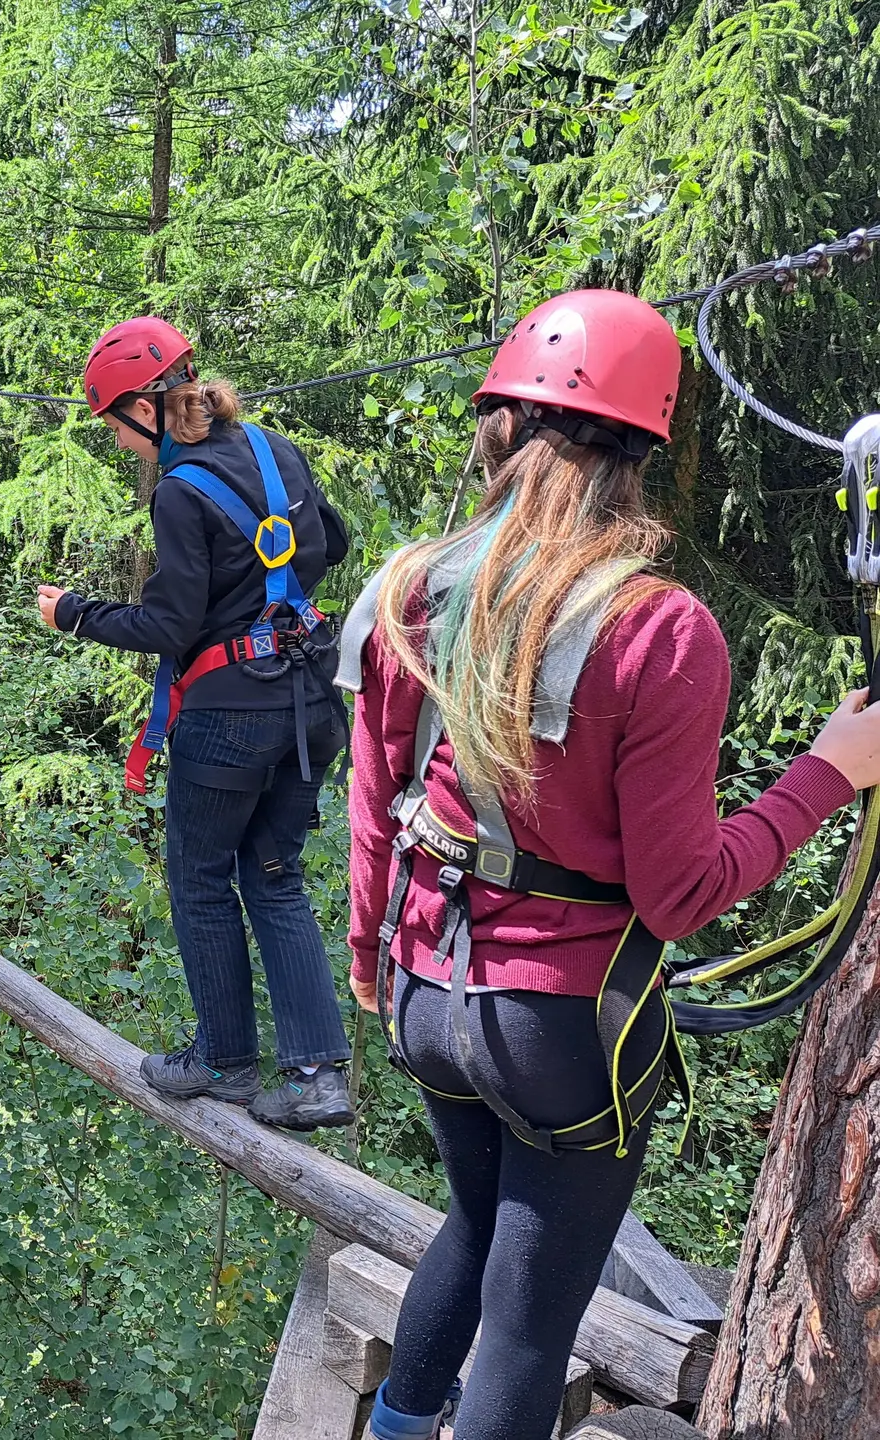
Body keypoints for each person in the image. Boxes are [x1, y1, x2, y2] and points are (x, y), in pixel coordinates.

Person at [338, 288, 880, 1440]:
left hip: (429, 990)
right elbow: (678, 894)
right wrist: (834, 767)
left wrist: (369, 957)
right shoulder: (657, 629)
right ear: (646, 449)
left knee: (476, 1224)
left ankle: (391, 1428)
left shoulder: (414, 588)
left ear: (497, 424)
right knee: (531, 1326)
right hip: (558, 1034)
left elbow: (376, 797)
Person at [37, 317, 355, 1129]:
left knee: (200, 879)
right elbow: (335, 541)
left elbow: (166, 630)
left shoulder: (180, 492)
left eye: (114, 423)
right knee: (275, 876)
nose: (116, 442)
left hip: (232, 718)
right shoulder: (273, 451)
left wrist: (74, 612)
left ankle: (225, 1060)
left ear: (146, 408)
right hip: (310, 700)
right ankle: (317, 1075)